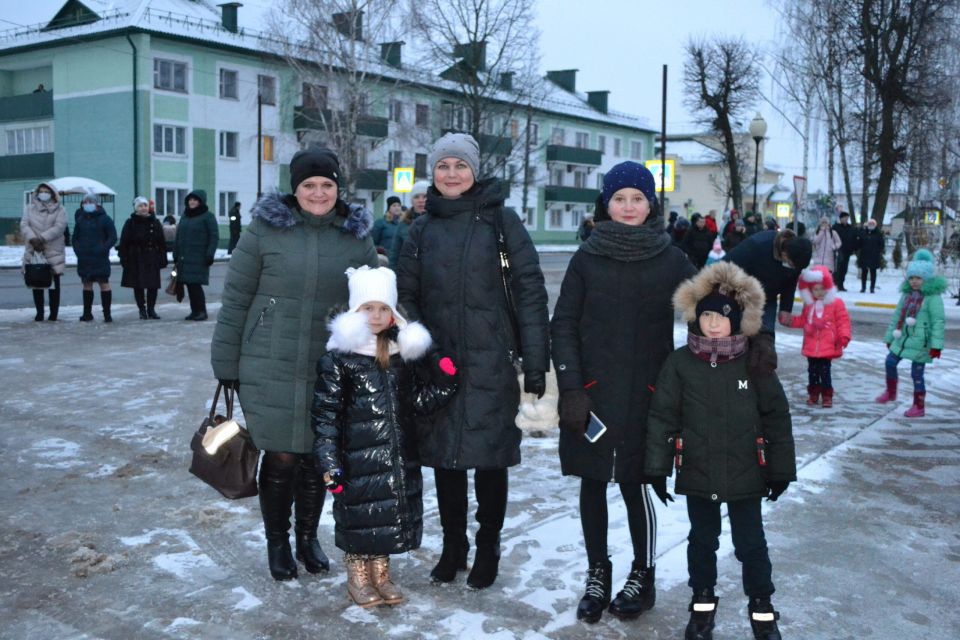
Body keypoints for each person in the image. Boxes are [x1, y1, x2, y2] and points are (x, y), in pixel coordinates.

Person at [211, 147, 378, 581]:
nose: (318, 193)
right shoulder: (263, 232)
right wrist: (225, 361)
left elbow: (372, 304)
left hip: (330, 366)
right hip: (270, 361)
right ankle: (278, 541)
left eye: (326, 185)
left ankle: (307, 537)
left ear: (338, 188)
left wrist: (376, 355)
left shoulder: (355, 236)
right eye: (309, 185)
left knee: (316, 458)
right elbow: (236, 301)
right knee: (282, 454)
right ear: (295, 188)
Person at [396, 132, 550, 590]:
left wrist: (535, 361)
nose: (452, 174)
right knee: (446, 460)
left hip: (492, 362)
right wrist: (424, 350)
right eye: (443, 166)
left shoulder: (502, 222)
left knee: (489, 460)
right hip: (439, 364)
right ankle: (453, 546)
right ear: (433, 173)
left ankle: (487, 546)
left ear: (475, 171)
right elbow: (405, 295)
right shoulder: (421, 229)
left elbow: (530, 291)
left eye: (460, 165)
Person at [550, 161, 696, 624]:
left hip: (647, 395)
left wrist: (749, 335)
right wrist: (571, 387)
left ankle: (642, 575)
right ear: (606, 204)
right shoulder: (587, 258)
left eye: (637, 198)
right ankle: (598, 572)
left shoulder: (671, 259)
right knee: (592, 481)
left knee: (638, 484)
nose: (628, 207)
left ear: (650, 204)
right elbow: (563, 324)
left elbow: (712, 308)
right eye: (619, 198)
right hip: (591, 395)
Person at [645, 261, 796, 640]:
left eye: (722, 316)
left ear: (739, 320)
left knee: (751, 543)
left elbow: (776, 416)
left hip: (747, 471)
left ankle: (762, 607)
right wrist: (657, 468)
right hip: (698, 468)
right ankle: (702, 605)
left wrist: (781, 470)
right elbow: (663, 416)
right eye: (707, 315)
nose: (713, 324)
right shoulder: (680, 362)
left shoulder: (754, 362)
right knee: (702, 541)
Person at [312, 266, 458, 608]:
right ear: (355, 311)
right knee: (358, 518)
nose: (376, 316)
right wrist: (329, 463)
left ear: (393, 313)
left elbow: (415, 402)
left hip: (395, 454)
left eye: (383, 308)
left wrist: (446, 382)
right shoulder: (338, 359)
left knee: (385, 516)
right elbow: (325, 415)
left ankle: (380, 572)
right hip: (355, 457)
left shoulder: (398, 356)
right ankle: (357, 575)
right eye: (368, 308)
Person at [875, 249, 945, 417]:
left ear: (927, 279)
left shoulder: (933, 298)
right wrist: (890, 337)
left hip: (922, 343)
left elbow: (938, 321)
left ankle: (919, 406)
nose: (914, 281)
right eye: (912, 277)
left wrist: (936, 345)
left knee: (917, 374)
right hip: (903, 338)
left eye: (918, 278)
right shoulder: (907, 295)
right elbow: (897, 316)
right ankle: (891, 392)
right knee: (890, 362)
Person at [783, 266, 851, 408]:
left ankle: (827, 395)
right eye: (816, 289)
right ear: (810, 290)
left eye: (822, 288)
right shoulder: (809, 305)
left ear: (828, 287)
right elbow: (803, 320)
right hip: (812, 345)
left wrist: (844, 336)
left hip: (828, 344)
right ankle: (813, 393)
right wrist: (790, 321)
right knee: (812, 371)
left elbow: (843, 321)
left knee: (825, 371)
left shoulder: (836, 303)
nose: (819, 292)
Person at [725, 228, 812, 334]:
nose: (793, 269)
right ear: (784, 254)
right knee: (737, 333)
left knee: (766, 335)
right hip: (741, 297)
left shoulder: (798, 256)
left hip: (768, 299)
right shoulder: (758, 245)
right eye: (791, 264)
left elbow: (791, 282)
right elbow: (726, 265)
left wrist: (786, 308)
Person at [21, 182, 67, 321]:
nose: (43, 194)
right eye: (41, 191)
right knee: (36, 281)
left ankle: (53, 314)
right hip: (34, 248)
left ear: (52, 194)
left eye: (46, 191)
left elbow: (60, 227)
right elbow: (24, 224)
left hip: (53, 249)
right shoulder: (29, 208)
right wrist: (33, 239)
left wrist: (42, 238)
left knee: (54, 283)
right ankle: (39, 313)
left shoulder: (60, 209)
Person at [119, 196, 168, 320]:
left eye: (145, 205)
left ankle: (151, 310)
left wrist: (163, 257)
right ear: (136, 209)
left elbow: (161, 242)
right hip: (136, 257)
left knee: (153, 285)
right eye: (140, 206)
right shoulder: (130, 223)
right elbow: (124, 242)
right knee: (138, 285)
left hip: (152, 257)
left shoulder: (155, 222)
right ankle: (142, 309)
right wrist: (123, 257)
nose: (143, 208)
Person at [72, 193, 118, 322]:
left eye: (90, 202)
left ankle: (107, 314)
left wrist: (103, 248)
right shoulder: (80, 219)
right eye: (85, 202)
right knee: (87, 284)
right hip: (84, 258)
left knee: (104, 284)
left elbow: (112, 237)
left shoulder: (105, 219)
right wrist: (78, 250)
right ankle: (87, 313)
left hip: (100, 258)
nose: (87, 204)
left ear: (96, 203)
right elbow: (75, 238)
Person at [173, 190, 218, 320]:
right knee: (189, 284)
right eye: (190, 199)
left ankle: (202, 312)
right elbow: (178, 236)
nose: (192, 202)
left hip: (199, 257)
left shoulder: (208, 216)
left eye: (195, 200)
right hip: (184, 257)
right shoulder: (185, 216)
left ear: (201, 201)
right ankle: (194, 311)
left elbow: (214, 237)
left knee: (195, 285)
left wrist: (210, 254)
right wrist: (176, 253)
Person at [389, 180, 429, 269]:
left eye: (425, 196)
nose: (421, 200)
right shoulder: (403, 225)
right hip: (408, 273)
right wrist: (394, 274)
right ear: (412, 201)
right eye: (416, 197)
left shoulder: (439, 222)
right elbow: (395, 254)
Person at [831, 211, 859, 291]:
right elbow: (831, 238)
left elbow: (854, 238)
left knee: (844, 269)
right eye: (844, 218)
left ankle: (841, 284)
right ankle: (835, 284)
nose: (846, 219)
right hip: (838, 251)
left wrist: (854, 248)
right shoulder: (836, 227)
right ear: (841, 219)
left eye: (847, 218)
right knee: (837, 268)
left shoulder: (850, 228)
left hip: (847, 251)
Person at [857, 218, 884, 293]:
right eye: (870, 224)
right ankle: (863, 287)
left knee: (873, 272)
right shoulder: (863, 233)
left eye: (873, 224)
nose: (871, 225)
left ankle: (872, 288)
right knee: (864, 272)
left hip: (874, 256)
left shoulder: (878, 233)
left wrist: (877, 251)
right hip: (864, 255)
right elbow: (859, 243)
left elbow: (881, 244)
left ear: (875, 225)